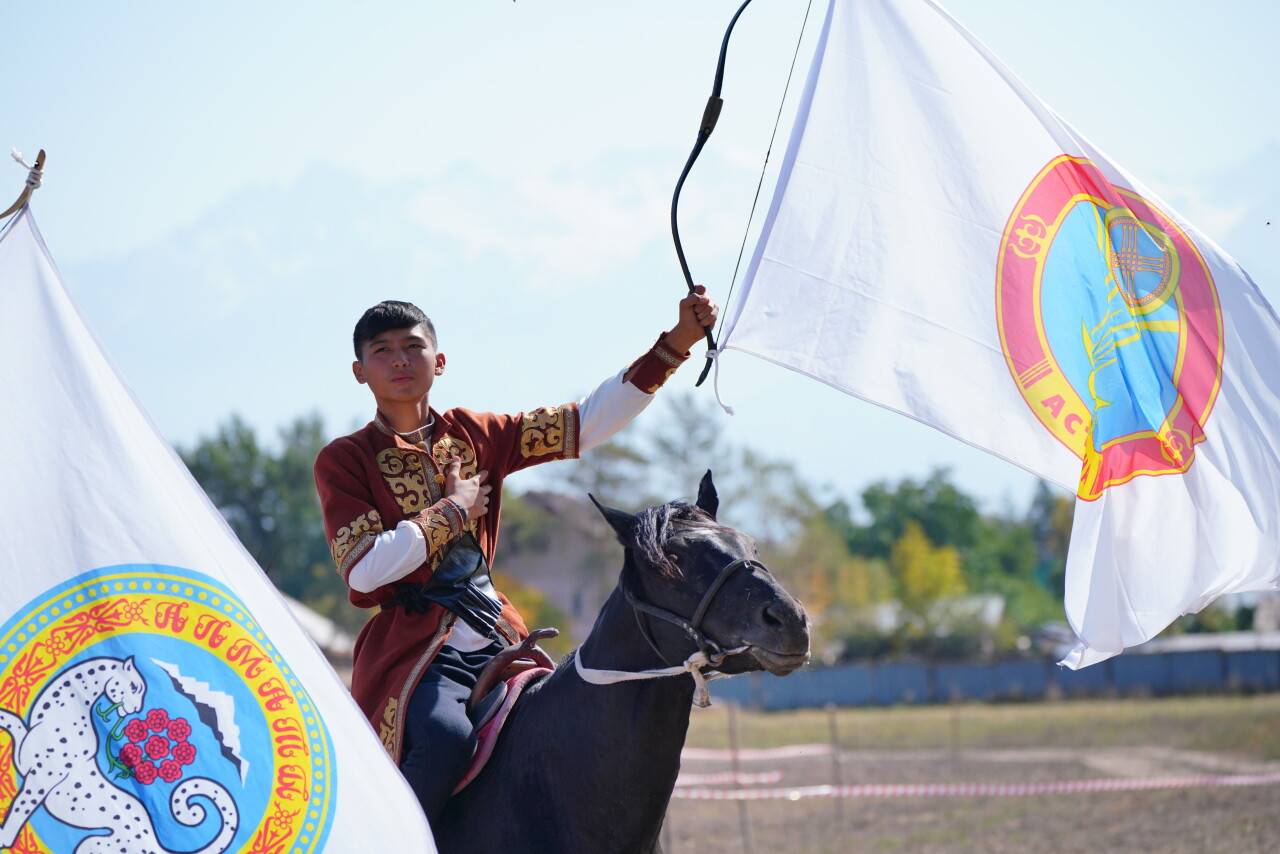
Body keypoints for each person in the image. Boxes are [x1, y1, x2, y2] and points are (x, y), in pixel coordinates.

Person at [313, 288, 717, 822]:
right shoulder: (345, 460)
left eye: (412, 347)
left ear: (439, 360)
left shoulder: (477, 434)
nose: (399, 360)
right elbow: (365, 574)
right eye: (382, 351)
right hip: (418, 653)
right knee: (444, 741)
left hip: (502, 635)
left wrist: (677, 342)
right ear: (360, 371)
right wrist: (452, 513)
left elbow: (585, 422)